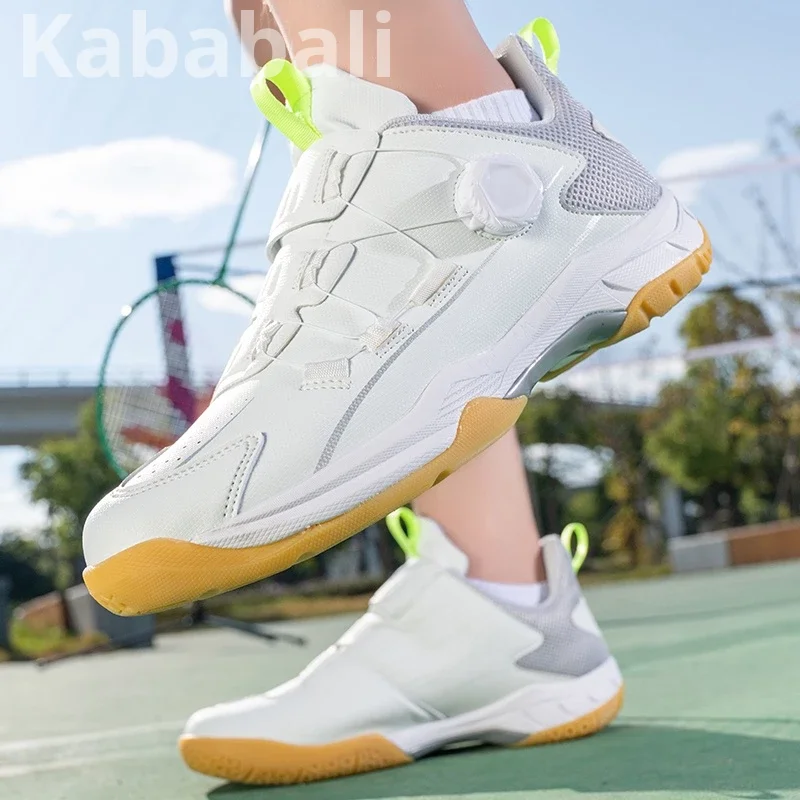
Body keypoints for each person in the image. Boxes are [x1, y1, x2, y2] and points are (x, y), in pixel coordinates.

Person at [83, 0, 711, 784]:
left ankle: (493, 150)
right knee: (261, 16)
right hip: (504, 613)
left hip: (520, 188)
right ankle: (497, 598)